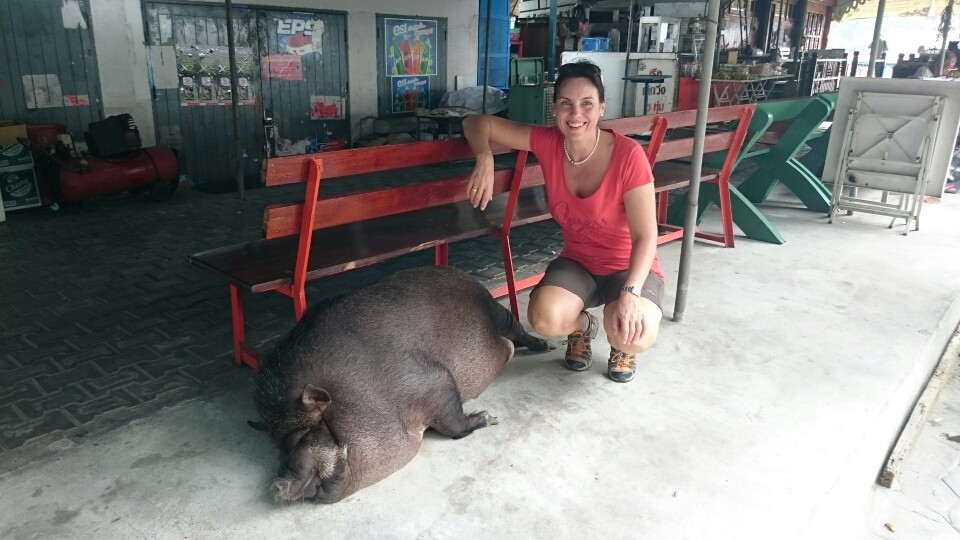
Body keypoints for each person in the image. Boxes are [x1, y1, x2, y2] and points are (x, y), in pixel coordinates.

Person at [462, 61, 664, 383]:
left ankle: (620, 345)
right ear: (554, 108)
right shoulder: (548, 142)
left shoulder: (628, 156)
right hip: (579, 263)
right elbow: (475, 122)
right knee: (543, 318)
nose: (576, 114)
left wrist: (630, 292)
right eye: (565, 103)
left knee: (631, 334)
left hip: (629, 267)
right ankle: (583, 328)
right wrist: (484, 156)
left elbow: (645, 235)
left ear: (601, 108)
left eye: (587, 103)